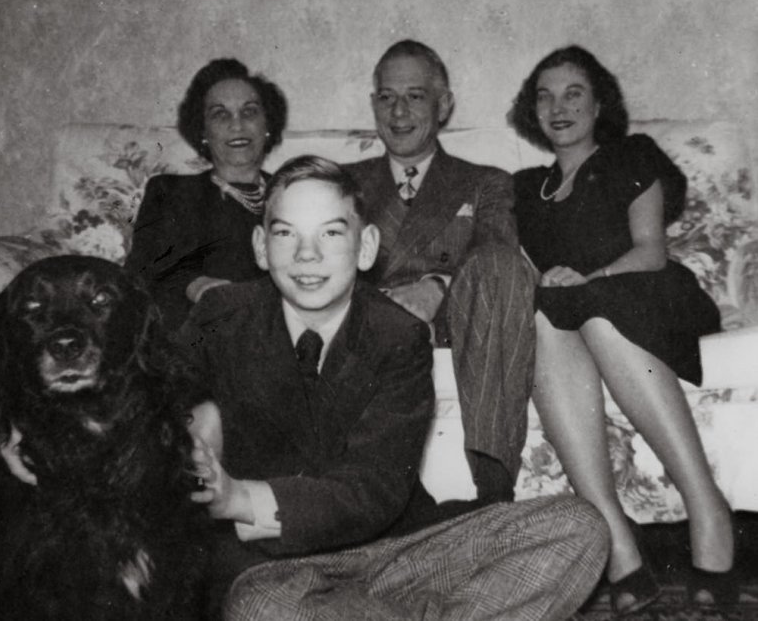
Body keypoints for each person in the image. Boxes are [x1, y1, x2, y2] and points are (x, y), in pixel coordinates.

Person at [180, 155, 610, 619]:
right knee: (260, 608)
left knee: (578, 526)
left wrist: (238, 497)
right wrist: (194, 432)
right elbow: (156, 403)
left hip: (399, 549)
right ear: (262, 246)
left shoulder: (397, 334)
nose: (308, 255)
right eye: (287, 234)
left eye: (330, 232)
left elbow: (374, 490)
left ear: (366, 246)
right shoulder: (222, 316)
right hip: (279, 567)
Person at [508, 45, 735, 614]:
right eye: (544, 95)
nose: (558, 107)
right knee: (541, 315)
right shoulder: (525, 190)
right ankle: (617, 541)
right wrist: (561, 284)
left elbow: (652, 252)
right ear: (531, 110)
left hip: (653, 299)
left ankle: (707, 508)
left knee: (599, 310)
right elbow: (537, 276)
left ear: (600, 102)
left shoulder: (632, 155)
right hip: (581, 313)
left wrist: (587, 279)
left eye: (573, 93)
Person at [344, 40, 535, 502]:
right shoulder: (342, 181)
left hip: (459, 325)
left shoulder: (484, 181)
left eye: (415, 96)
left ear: (443, 103)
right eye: (386, 97)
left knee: (502, 264)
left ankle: (492, 486)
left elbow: (496, 251)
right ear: (373, 105)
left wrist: (437, 287)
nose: (399, 111)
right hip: (368, 324)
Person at [125, 58, 287, 330]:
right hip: (197, 333)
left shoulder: (292, 193)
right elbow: (140, 274)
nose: (237, 125)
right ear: (202, 131)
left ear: (267, 124)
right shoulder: (171, 192)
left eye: (249, 112)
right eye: (220, 114)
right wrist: (196, 286)